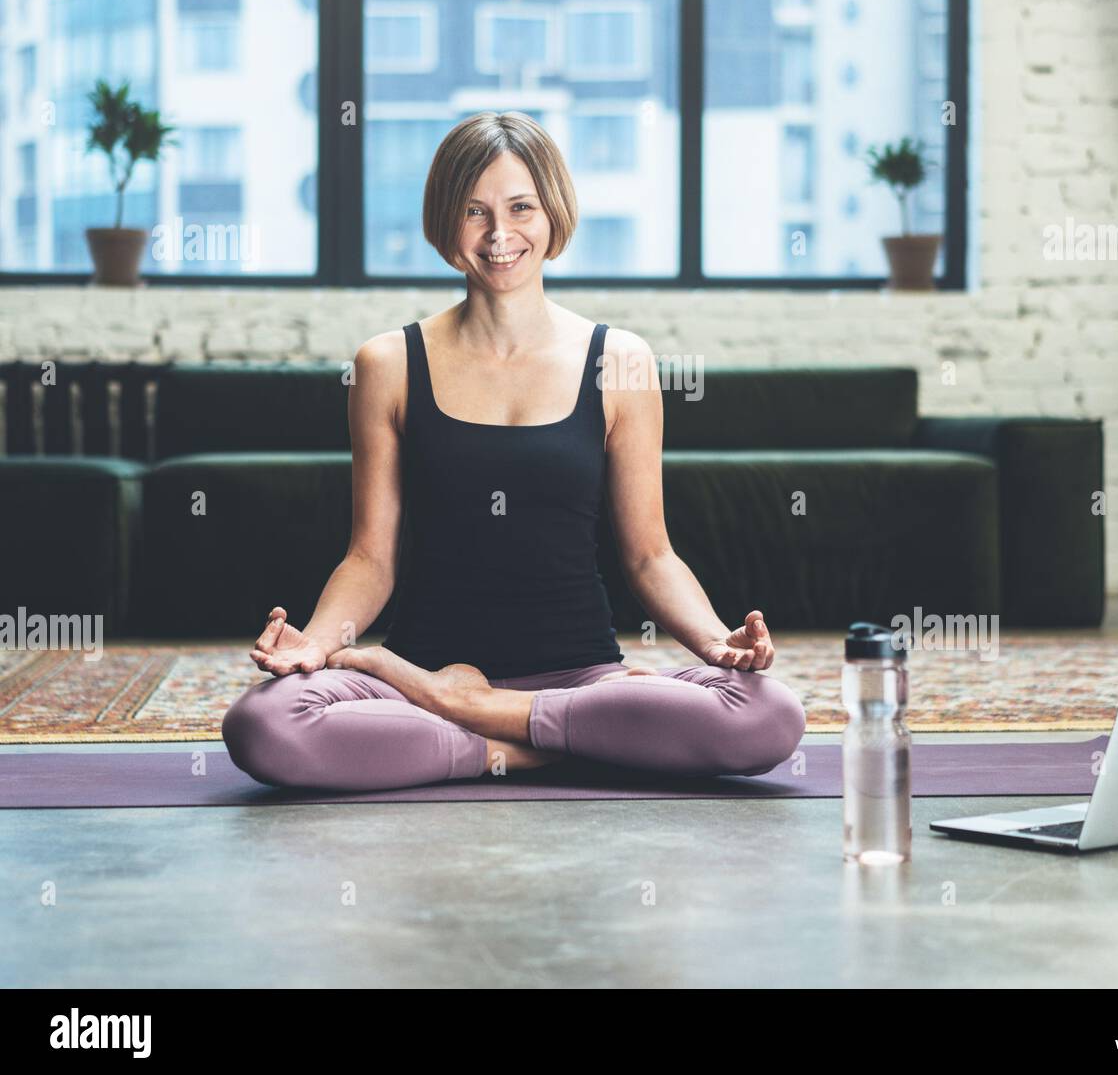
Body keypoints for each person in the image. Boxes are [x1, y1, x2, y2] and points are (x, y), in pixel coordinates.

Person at [221, 111, 806, 791]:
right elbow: (369, 557)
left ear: (554, 211)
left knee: (767, 715)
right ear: (445, 223)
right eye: (475, 212)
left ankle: (486, 720)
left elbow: (650, 554)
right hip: (423, 674)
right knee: (264, 726)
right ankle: (547, 747)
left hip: (581, 677)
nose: (500, 236)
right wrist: (317, 646)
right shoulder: (388, 363)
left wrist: (714, 644)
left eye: (520, 207)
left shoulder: (620, 360)